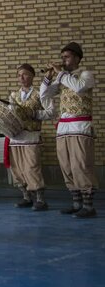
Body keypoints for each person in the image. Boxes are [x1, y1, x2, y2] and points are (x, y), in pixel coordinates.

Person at [40, 42, 98, 218]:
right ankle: (76, 203)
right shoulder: (63, 77)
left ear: (77, 58)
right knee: (66, 166)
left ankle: (88, 206)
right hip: (63, 128)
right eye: (62, 57)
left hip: (80, 126)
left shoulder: (86, 75)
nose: (63, 60)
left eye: (67, 56)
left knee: (80, 165)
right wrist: (48, 78)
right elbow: (45, 95)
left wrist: (61, 73)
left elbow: (79, 87)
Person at [5, 64, 54, 211]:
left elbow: (51, 113)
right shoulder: (13, 96)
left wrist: (34, 114)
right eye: (19, 75)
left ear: (32, 76)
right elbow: (10, 114)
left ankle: (40, 199)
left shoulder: (40, 94)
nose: (22, 77)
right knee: (18, 169)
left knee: (32, 168)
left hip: (32, 137)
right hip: (16, 138)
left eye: (25, 74)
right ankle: (26, 197)